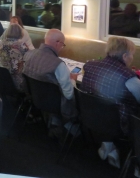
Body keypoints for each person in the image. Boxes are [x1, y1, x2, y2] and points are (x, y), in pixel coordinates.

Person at [81, 37, 140, 168]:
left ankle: (109, 145)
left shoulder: (90, 66)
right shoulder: (128, 77)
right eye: (132, 55)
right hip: (118, 125)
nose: (132, 58)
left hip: (91, 117)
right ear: (125, 56)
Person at [23, 29, 78, 120]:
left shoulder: (28, 55)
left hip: (35, 100)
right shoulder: (59, 65)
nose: (62, 47)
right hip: (56, 105)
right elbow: (69, 95)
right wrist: (72, 80)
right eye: (63, 45)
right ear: (58, 43)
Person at [0, 24, 29, 90]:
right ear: (20, 32)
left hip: (2, 79)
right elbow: (29, 58)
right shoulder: (21, 44)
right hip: (17, 81)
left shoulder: (1, 43)